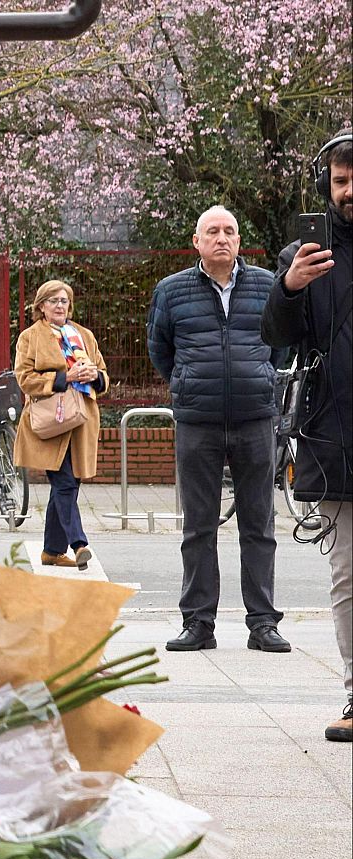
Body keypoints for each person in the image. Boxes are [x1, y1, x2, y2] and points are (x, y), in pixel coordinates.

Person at [149, 205, 291, 654]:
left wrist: (260, 378)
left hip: (255, 418)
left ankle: (263, 622)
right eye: (212, 231)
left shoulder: (267, 285)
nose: (222, 238)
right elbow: (160, 349)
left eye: (230, 231)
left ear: (239, 240)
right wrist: (188, 382)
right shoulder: (171, 291)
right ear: (197, 241)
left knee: (259, 525)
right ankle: (198, 622)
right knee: (198, 526)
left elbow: (281, 345)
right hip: (198, 421)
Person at [262, 130, 353, 742]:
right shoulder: (305, 254)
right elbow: (275, 335)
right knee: (348, 575)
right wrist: (289, 287)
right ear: (327, 184)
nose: (350, 191)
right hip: (335, 435)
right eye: (341, 181)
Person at [13, 280, 109, 571]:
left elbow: (103, 374)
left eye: (64, 300)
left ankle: (52, 551)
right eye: (53, 300)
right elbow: (25, 378)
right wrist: (66, 377)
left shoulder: (84, 335)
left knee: (69, 484)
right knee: (64, 482)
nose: (59, 306)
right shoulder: (30, 337)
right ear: (41, 306)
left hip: (80, 418)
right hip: (50, 420)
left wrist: (94, 376)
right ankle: (79, 544)